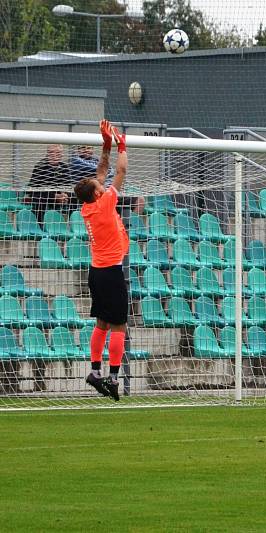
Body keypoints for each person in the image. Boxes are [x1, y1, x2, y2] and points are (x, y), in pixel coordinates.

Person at [73, 120, 129, 402]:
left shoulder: (87, 207)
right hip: (110, 272)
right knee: (119, 325)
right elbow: (119, 170)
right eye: (99, 185)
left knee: (102, 323)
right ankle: (114, 377)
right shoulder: (106, 204)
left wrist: (105, 145)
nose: (101, 182)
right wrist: (122, 144)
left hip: (96, 271)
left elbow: (103, 171)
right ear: (98, 193)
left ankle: (95, 371)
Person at [23, 144, 73, 220]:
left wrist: (65, 194)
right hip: (44, 197)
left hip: (60, 198)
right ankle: (40, 226)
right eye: (51, 152)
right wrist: (54, 196)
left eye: (58, 153)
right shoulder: (40, 167)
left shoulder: (64, 167)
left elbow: (69, 185)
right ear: (47, 153)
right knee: (39, 200)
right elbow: (33, 190)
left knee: (75, 198)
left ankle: (75, 226)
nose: (55, 155)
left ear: (62, 155)